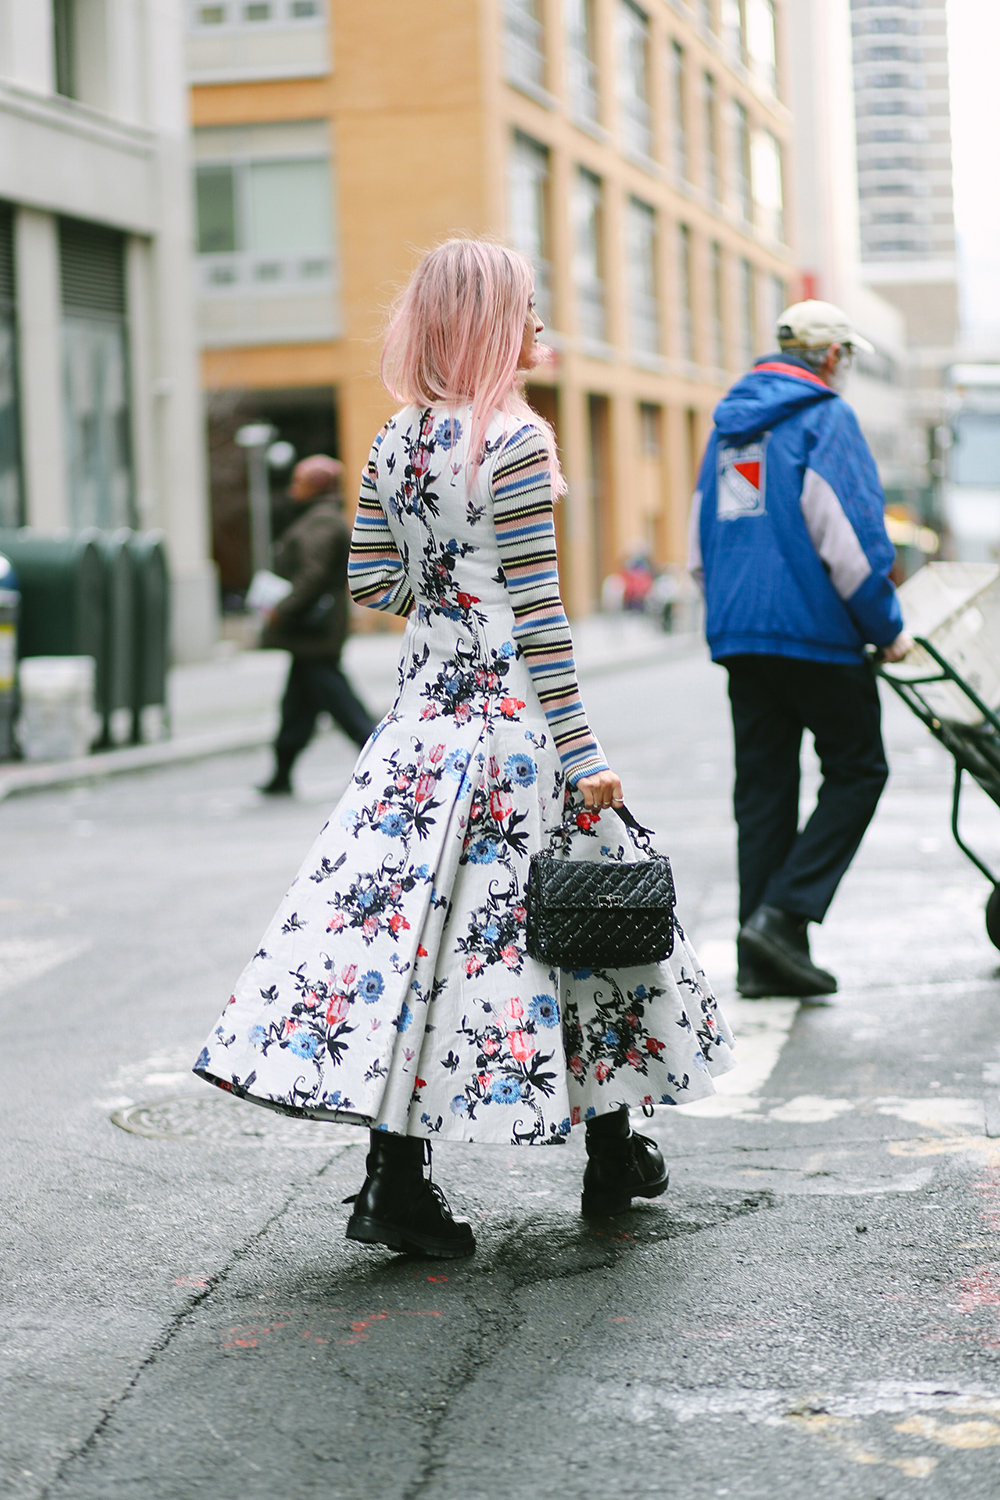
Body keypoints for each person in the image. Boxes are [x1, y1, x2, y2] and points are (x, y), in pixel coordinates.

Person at [195, 240, 735, 1260]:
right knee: (580, 928)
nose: (542, 333)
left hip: (419, 731)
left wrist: (440, 595)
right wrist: (584, 753)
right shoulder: (517, 442)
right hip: (513, 734)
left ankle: (395, 1180)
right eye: (528, 314)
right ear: (489, 325)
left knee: (421, 956)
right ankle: (611, 1153)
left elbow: (368, 580)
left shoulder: (395, 440)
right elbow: (540, 618)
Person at [688, 299, 913, 1000]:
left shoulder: (729, 429)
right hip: (815, 633)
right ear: (832, 355)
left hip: (740, 635)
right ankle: (783, 917)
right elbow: (847, 537)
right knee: (858, 769)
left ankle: (762, 960)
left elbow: (702, 546)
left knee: (763, 792)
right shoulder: (826, 417)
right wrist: (886, 627)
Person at [258, 454, 376, 795]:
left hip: (315, 631)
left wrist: (284, 608)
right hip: (312, 634)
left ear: (316, 486)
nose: (293, 488)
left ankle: (375, 756)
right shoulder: (319, 518)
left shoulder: (321, 522)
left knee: (339, 701)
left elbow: (313, 574)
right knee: (298, 704)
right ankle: (282, 771)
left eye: (299, 481)